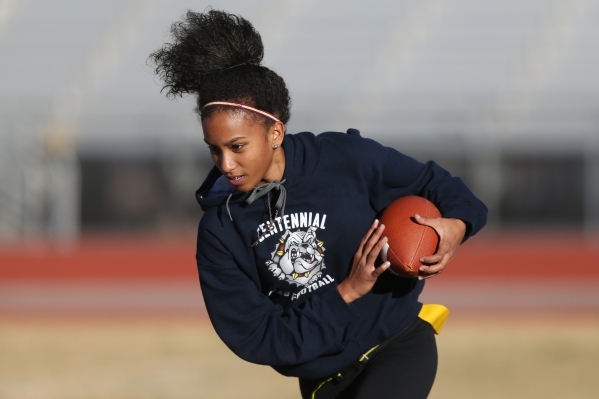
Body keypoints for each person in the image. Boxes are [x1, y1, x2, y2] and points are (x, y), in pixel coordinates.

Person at [149, 9, 487, 399]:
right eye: (215, 150)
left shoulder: (345, 159)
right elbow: (260, 336)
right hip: (324, 380)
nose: (226, 164)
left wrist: (456, 227)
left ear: (275, 131)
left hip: (397, 344)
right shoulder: (220, 230)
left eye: (237, 146)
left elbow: (439, 185)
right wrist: (346, 292)